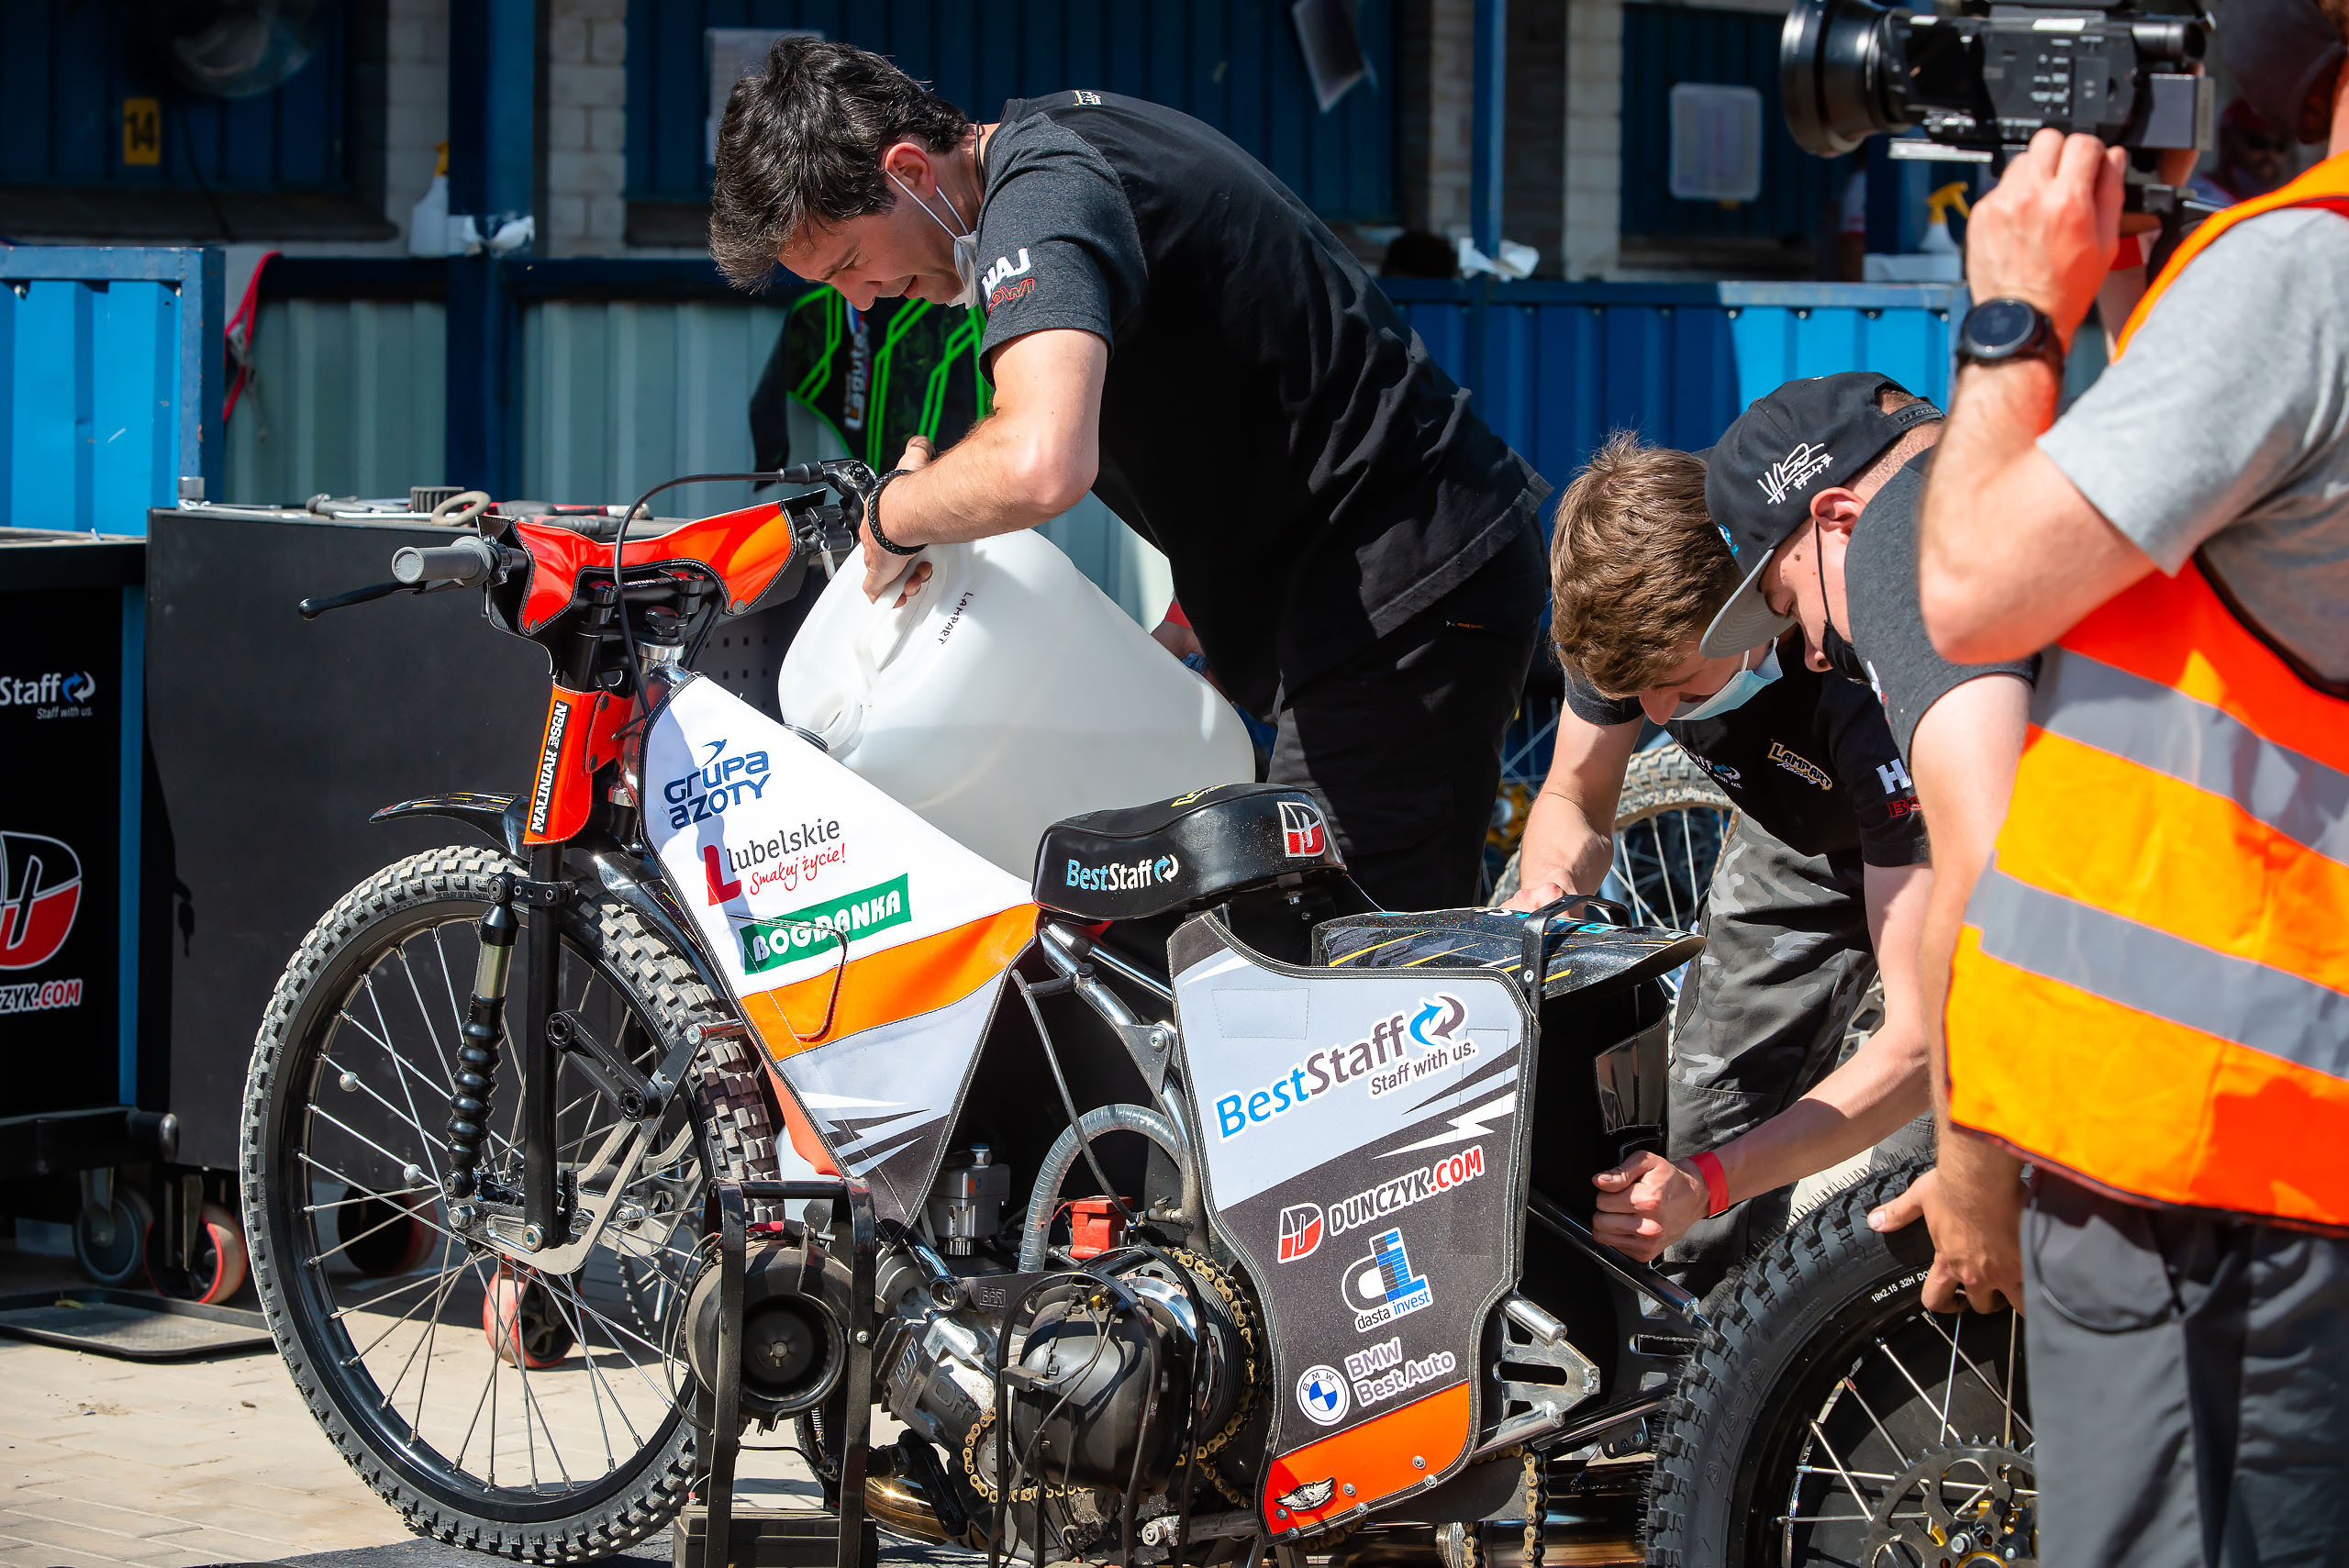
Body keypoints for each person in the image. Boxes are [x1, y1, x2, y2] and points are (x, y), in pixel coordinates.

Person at [709, 40, 1550, 912]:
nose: (864, 298)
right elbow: (1237, 364)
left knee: (1347, 984)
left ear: (911, 169)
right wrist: (1205, 609)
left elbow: (1040, 458)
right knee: (1291, 953)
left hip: (1403, 596)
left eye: (848, 261)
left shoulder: (1040, 197)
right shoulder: (1063, 146)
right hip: (1375, 583)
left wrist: (893, 516)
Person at [1913, 0, 2349, 1552]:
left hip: (2193, 1140)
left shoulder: (2301, 278)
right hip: (2281, 1127)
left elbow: (1969, 581)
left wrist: (2015, 313)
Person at [1508, 375, 1943, 1297]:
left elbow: (1917, 1041)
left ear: (1752, 601)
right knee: (1700, 1117)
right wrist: (1552, 894)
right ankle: (1689, 1385)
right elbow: (1576, 800)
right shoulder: (1628, 594)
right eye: (1637, 697)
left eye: (1682, 686)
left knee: (1917, 1177)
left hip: (1919, 836)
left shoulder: (1856, 664)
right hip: (1796, 837)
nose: (1660, 716)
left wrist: (1710, 1185)